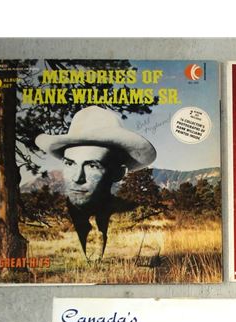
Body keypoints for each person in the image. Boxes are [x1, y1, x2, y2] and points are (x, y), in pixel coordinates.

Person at [35, 106, 156, 259]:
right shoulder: (54, 225)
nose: (77, 178)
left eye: (92, 166)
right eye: (70, 164)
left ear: (118, 173)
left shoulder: (136, 231)